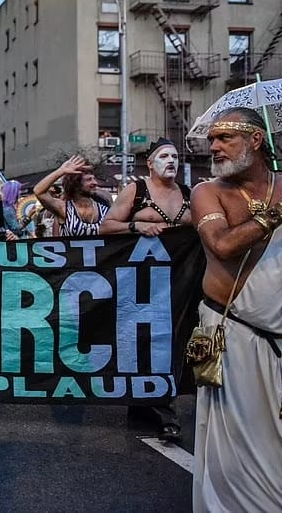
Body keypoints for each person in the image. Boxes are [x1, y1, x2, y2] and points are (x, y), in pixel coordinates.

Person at [190, 107, 282, 510]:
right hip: (232, 332)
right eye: (212, 139)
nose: (214, 146)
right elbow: (221, 246)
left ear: (256, 140)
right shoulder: (208, 192)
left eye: (225, 137)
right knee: (237, 449)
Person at [99, 138, 192, 443]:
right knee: (138, 342)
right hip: (138, 283)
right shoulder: (136, 190)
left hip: (178, 284)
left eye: (175, 156)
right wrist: (135, 227)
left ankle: (166, 413)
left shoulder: (189, 194)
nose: (171, 161)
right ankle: (140, 404)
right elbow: (106, 225)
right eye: (164, 156)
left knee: (169, 343)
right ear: (150, 163)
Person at [34, 155, 110, 236]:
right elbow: (38, 191)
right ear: (76, 184)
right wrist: (61, 171)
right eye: (89, 179)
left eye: (94, 179)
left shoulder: (104, 210)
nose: (95, 183)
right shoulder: (64, 209)